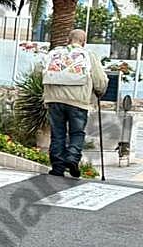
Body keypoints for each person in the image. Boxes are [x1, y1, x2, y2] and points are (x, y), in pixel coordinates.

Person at [41, 29, 108, 178]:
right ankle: (72, 158)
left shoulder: (54, 53)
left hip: (54, 100)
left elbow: (43, 72)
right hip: (78, 101)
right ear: (83, 42)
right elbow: (100, 80)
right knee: (77, 133)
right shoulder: (88, 55)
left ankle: (57, 167)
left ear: (68, 39)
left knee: (57, 133)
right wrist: (99, 92)